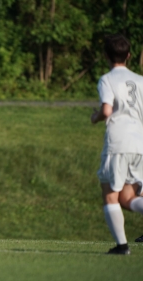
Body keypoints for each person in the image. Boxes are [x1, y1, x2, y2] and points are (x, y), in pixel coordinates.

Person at [91, 34, 143, 254]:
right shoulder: (141, 80)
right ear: (129, 56)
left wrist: (95, 117)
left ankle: (122, 246)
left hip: (119, 141)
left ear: (106, 56)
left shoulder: (107, 79)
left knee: (111, 194)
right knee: (128, 198)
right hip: (140, 141)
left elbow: (106, 110)